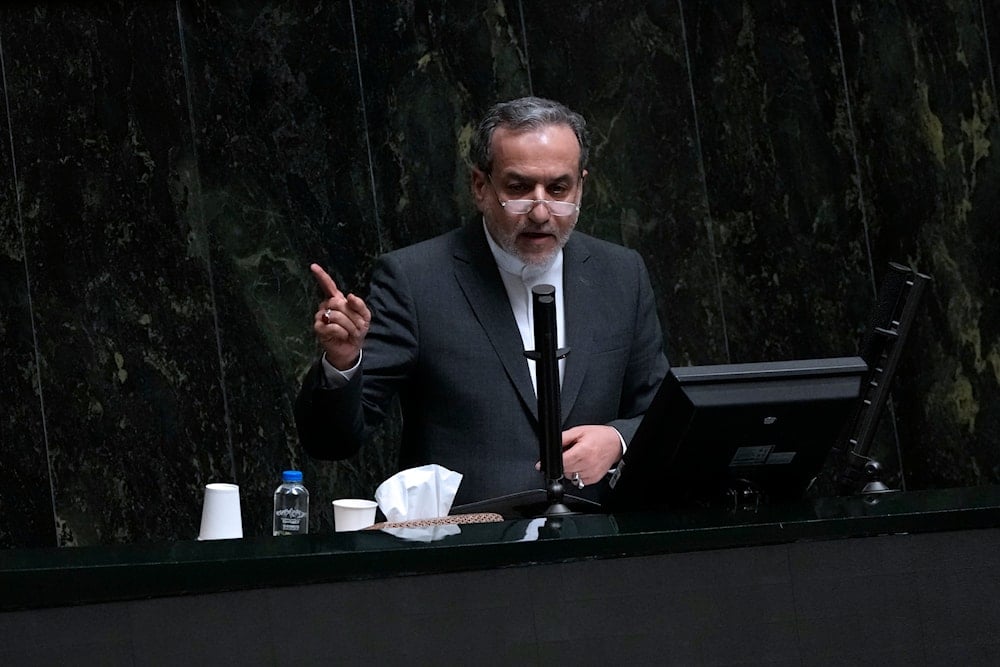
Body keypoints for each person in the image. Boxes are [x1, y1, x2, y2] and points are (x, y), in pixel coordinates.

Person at [294, 96, 669, 507]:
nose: (541, 211)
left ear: (581, 186)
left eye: (558, 189)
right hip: (467, 550)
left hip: (596, 545)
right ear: (480, 186)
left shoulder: (620, 274)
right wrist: (343, 364)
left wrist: (617, 441)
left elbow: (659, 412)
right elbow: (331, 442)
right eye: (519, 188)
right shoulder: (416, 280)